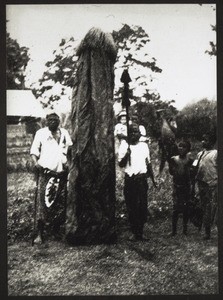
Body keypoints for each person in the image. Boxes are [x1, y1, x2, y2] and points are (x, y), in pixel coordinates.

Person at [30, 113, 73, 245]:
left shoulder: (64, 133)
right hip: (46, 173)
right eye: (50, 120)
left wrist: (69, 165)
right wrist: (36, 164)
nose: (53, 122)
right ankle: (39, 233)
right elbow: (33, 152)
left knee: (59, 202)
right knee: (42, 203)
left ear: (59, 121)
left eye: (55, 119)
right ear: (46, 122)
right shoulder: (41, 133)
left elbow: (70, 149)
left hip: (61, 173)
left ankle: (56, 230)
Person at [118, 123, 157, 241]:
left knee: (142, 205)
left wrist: (153, 179)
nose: (134, 134)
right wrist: (126, 155)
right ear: (128, 134)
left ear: (140, 134)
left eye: (136, 132)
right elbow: (121, 164)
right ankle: (134, 232)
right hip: (130, 179)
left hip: (141, 179)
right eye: (132, 132)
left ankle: (141, 231)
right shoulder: (124, 146)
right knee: (132, 205)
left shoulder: (144, 146)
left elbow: (148, 163)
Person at [193, 132, 217, 240]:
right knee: (203, 206)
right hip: (201, 183)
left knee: (210, 208)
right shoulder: (200, 154)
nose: (203, 141)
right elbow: (195, 166)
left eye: (206, 140)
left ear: (212, 142)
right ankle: (203, 228)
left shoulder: (215, 153)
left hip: (211, 184)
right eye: (202, 139)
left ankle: (208, 232)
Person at [169, 140, 194, 236]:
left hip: (186, 186)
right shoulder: (174, 159)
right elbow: (171, 172)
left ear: (188, 149)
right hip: (177, 186)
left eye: (184, 147)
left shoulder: (190, 160)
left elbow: (192, 174)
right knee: (175, 208)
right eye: (180, 146)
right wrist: (171, 165)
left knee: (186, 208)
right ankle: (174, 230)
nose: (181, 148)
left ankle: (185, 229)